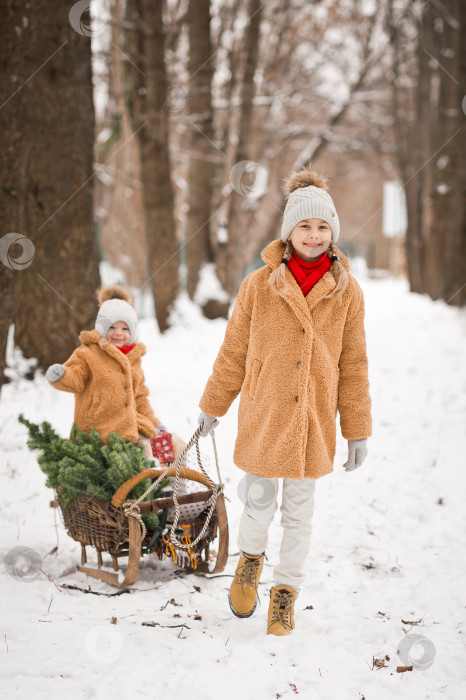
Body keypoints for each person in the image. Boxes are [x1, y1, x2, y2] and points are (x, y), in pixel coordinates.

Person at [197, 167, 372, 636]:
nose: (313, 236)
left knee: (299, 515)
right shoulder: (259, 285)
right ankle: (250, 563)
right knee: (257, 504)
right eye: (304, 226)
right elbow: (234, 351)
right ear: (289, 232)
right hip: (265, 414)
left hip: (313, 421)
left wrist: (357, 428)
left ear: (332, 232)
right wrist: (213, 405)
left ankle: (285, 594)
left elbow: (353, 365)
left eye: (322, 227)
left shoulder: (347, 291)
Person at [45, 285, 160, 457]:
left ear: (133, 331)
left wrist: (153, 422)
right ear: (101, 328)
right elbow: (75, 377)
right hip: (96, 430)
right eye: (111, 328)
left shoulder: (133, 359)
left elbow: (140, 396)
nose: (118, 334)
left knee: (149, 452)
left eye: (125, 328)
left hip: (129, 429)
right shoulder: (87, 353)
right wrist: (62, 375)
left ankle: (157, 481)